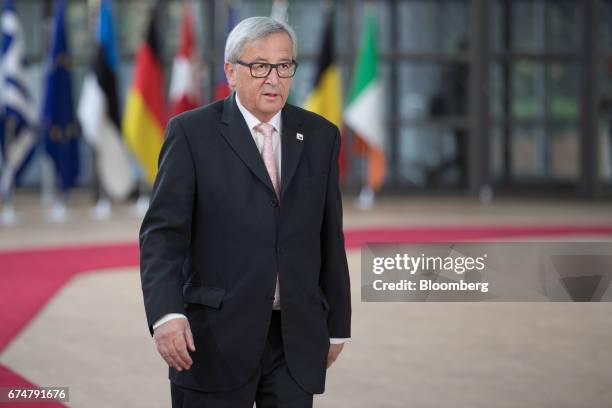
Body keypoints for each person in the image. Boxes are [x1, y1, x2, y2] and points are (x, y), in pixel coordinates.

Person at [139, 16, 351, 407]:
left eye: (284, 66)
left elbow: (328, 236)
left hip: (295, 338)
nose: (274, 79)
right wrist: (166, 314)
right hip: (213, 337)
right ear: (231, 72)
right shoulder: (191, 133)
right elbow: (162, 235)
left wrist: (337, 326)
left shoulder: (321, 135)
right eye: (260, 66)